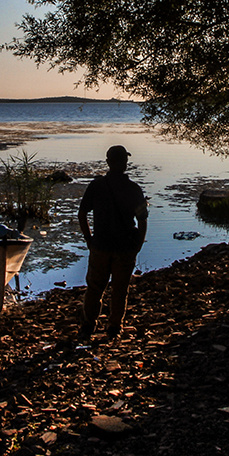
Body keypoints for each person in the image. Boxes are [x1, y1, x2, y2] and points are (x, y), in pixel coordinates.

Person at [77, 145, 148, 340]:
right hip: (125, 248)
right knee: (120, 290)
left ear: (108, 162)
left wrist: (89, 240)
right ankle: (114, 327)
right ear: (125, 164)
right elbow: (142, 221)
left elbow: (82, 214)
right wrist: (138, 246)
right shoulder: (133, 189)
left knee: (94, 288)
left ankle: (88, 326)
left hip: (100, 246)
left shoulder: (96, 186)